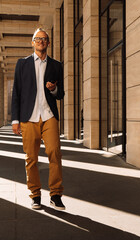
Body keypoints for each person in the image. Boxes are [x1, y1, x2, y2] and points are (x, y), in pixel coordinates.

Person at [11, 28, 65, 211]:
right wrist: (15, 120)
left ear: (48, 43)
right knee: (31, 158)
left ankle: (56, 195)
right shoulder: (22, 64)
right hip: (29, 117)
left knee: (54, 153)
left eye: (44, 39)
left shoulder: (56, 65)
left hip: (49, 116)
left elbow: (61, 94)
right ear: (32, 42)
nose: (41, 41)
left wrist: (53, 89)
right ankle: (35, 195)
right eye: (37, 38)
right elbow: (16, 93)